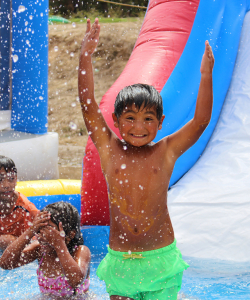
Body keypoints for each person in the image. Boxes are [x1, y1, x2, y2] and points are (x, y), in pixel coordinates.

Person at [78, 18, 214, 299]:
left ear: (161, 122)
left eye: (147, 119)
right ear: (115, 120)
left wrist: (206, 75)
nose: (138, 127)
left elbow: (200, 121)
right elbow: (88, 104)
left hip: (160, 258)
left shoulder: (165, 151)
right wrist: (85, 58)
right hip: (121, 261)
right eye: (130, 118)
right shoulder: (109, 148)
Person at [0, 202, 91, 297]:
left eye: (49, 231)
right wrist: (31, 231)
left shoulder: (81, 251)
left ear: (70, 234)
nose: (42, 236)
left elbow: (76, 281)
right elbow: (5, 264)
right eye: (40, 229)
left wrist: (59, 245)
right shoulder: (40, 250)